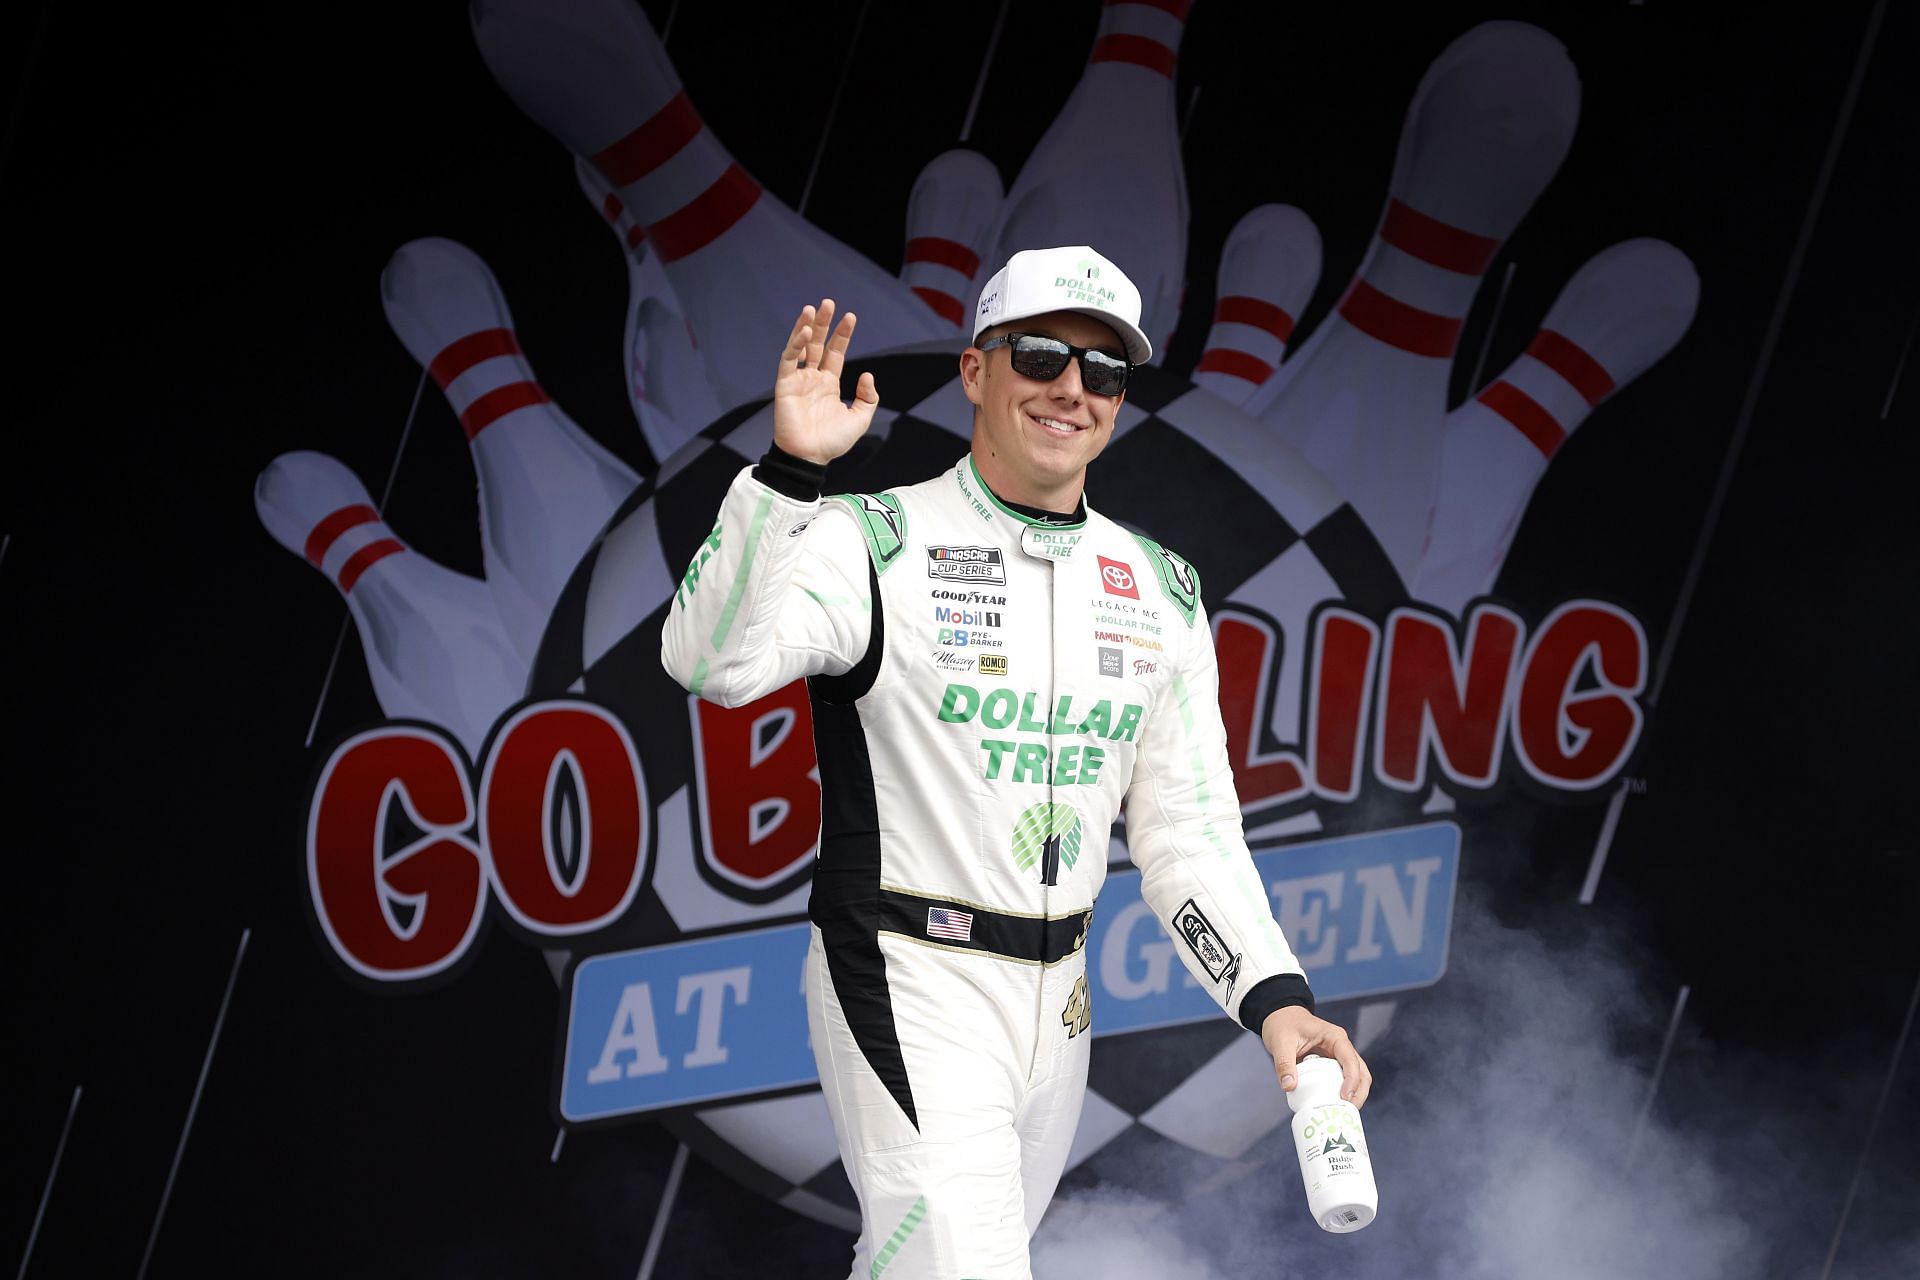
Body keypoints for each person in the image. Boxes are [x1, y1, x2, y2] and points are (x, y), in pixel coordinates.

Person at [662, 246, 1371, 1278]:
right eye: (1041, 354)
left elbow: (1187, 834)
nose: (1070, 389)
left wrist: (1276, 999)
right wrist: (788, 472)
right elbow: (708, 659)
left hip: (1062, 1001)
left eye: (1104, 371)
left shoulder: (1159, 585)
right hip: (907, 971)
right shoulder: (871, 538)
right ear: (977, 370)